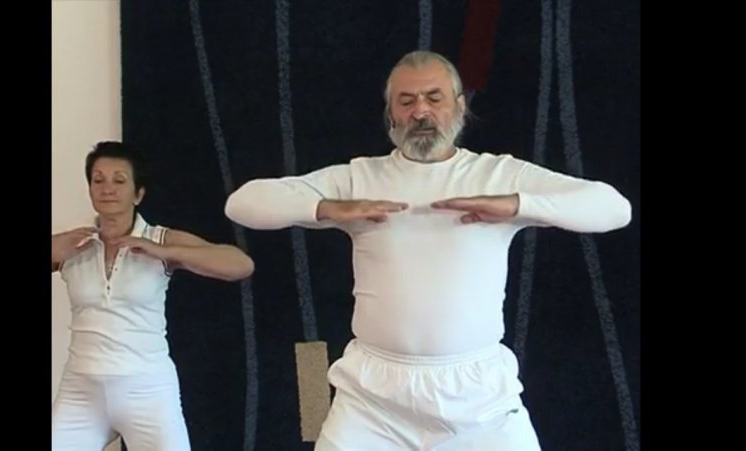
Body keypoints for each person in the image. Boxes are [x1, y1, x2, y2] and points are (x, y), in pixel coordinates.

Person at [224, 50, 631, 450]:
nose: (420, 111)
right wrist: (327, 208)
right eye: (406, 101)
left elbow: (615, 209)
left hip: (479, 399)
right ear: (391, 114)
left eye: (433, 98)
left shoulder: (500, 174)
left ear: (459, 106)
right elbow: (242, 204)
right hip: (372, 400)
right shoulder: (359, 177)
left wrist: (517, 205)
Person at [51, 141, 254, 450]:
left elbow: (240, 264)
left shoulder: (159, 238)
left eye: (119, 180)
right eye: (98, 180)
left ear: (138, 193)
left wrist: (166, 252)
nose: (107, 189)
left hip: (146, 390)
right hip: (81, 389)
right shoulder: (74, 244)